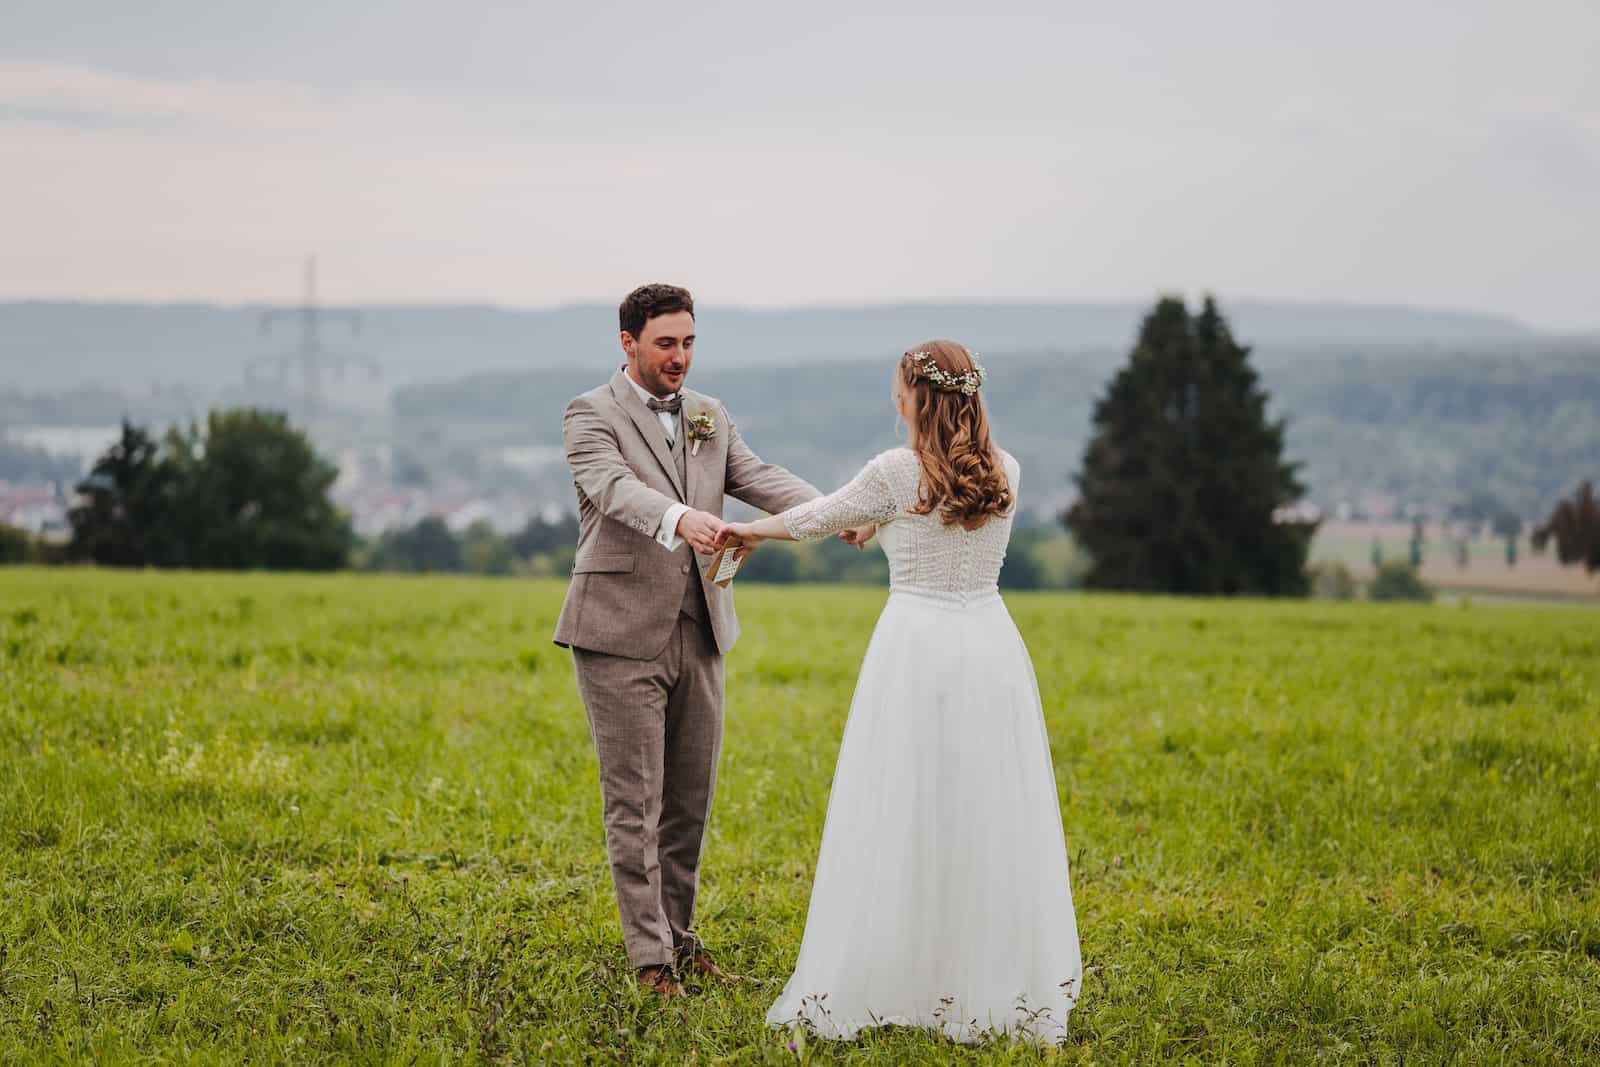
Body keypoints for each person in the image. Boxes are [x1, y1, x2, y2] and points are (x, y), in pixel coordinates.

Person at [725, 340, 1082, 1044]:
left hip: (915, 648)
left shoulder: (896, 471)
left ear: (916, 397)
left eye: (898, 389)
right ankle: (984, 977)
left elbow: (815, 517)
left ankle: (895, 972)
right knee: (982, 810)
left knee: (902, 804)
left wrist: (748, 529)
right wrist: (879, 521)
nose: (894, 400)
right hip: (989, 648)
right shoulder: (1005, 469)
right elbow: (926, 517)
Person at [554, 283, 867, 999]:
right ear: (628, 342)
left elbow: (756, 477)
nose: (680, 357)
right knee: (635, 803)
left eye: (689, 342)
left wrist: (833, 511)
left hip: (702, 628)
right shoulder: (588, 414)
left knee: (689, 802)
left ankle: (682, 937)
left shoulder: (708, 415)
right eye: (666, 342)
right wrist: (680, 518)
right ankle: (651, 963)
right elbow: (611, 489)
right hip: (617, 632)